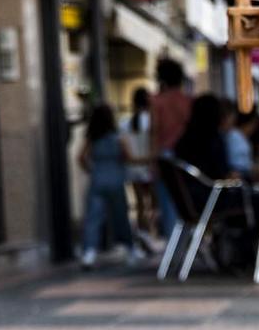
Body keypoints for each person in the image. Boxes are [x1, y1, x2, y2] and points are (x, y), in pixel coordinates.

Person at [75, 103, 137, 269]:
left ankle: (89, 253)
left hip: (97, 179)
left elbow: (81, 158)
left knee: (92, 218)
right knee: (121, 216)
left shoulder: (92, 138)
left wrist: (92, 169)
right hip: (116, 180)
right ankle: (130, 249)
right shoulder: (119, 137)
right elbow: (129, 157)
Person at [150, 59, 194, 236]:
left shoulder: (157, 102)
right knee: (187, 199)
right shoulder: (188, 101)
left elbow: (154, 131)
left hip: (165, 155)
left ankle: (173, 242)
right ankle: (188, 240)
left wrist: (152, 160)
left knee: (168, 202)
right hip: (187, 154)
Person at [122, 86, 158, 258]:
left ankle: (143, 235)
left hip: (132, 169)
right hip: (148, 167)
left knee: (140, 205)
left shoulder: (125, 123)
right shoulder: (151, 121)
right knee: (152, 203)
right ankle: (150, 234)